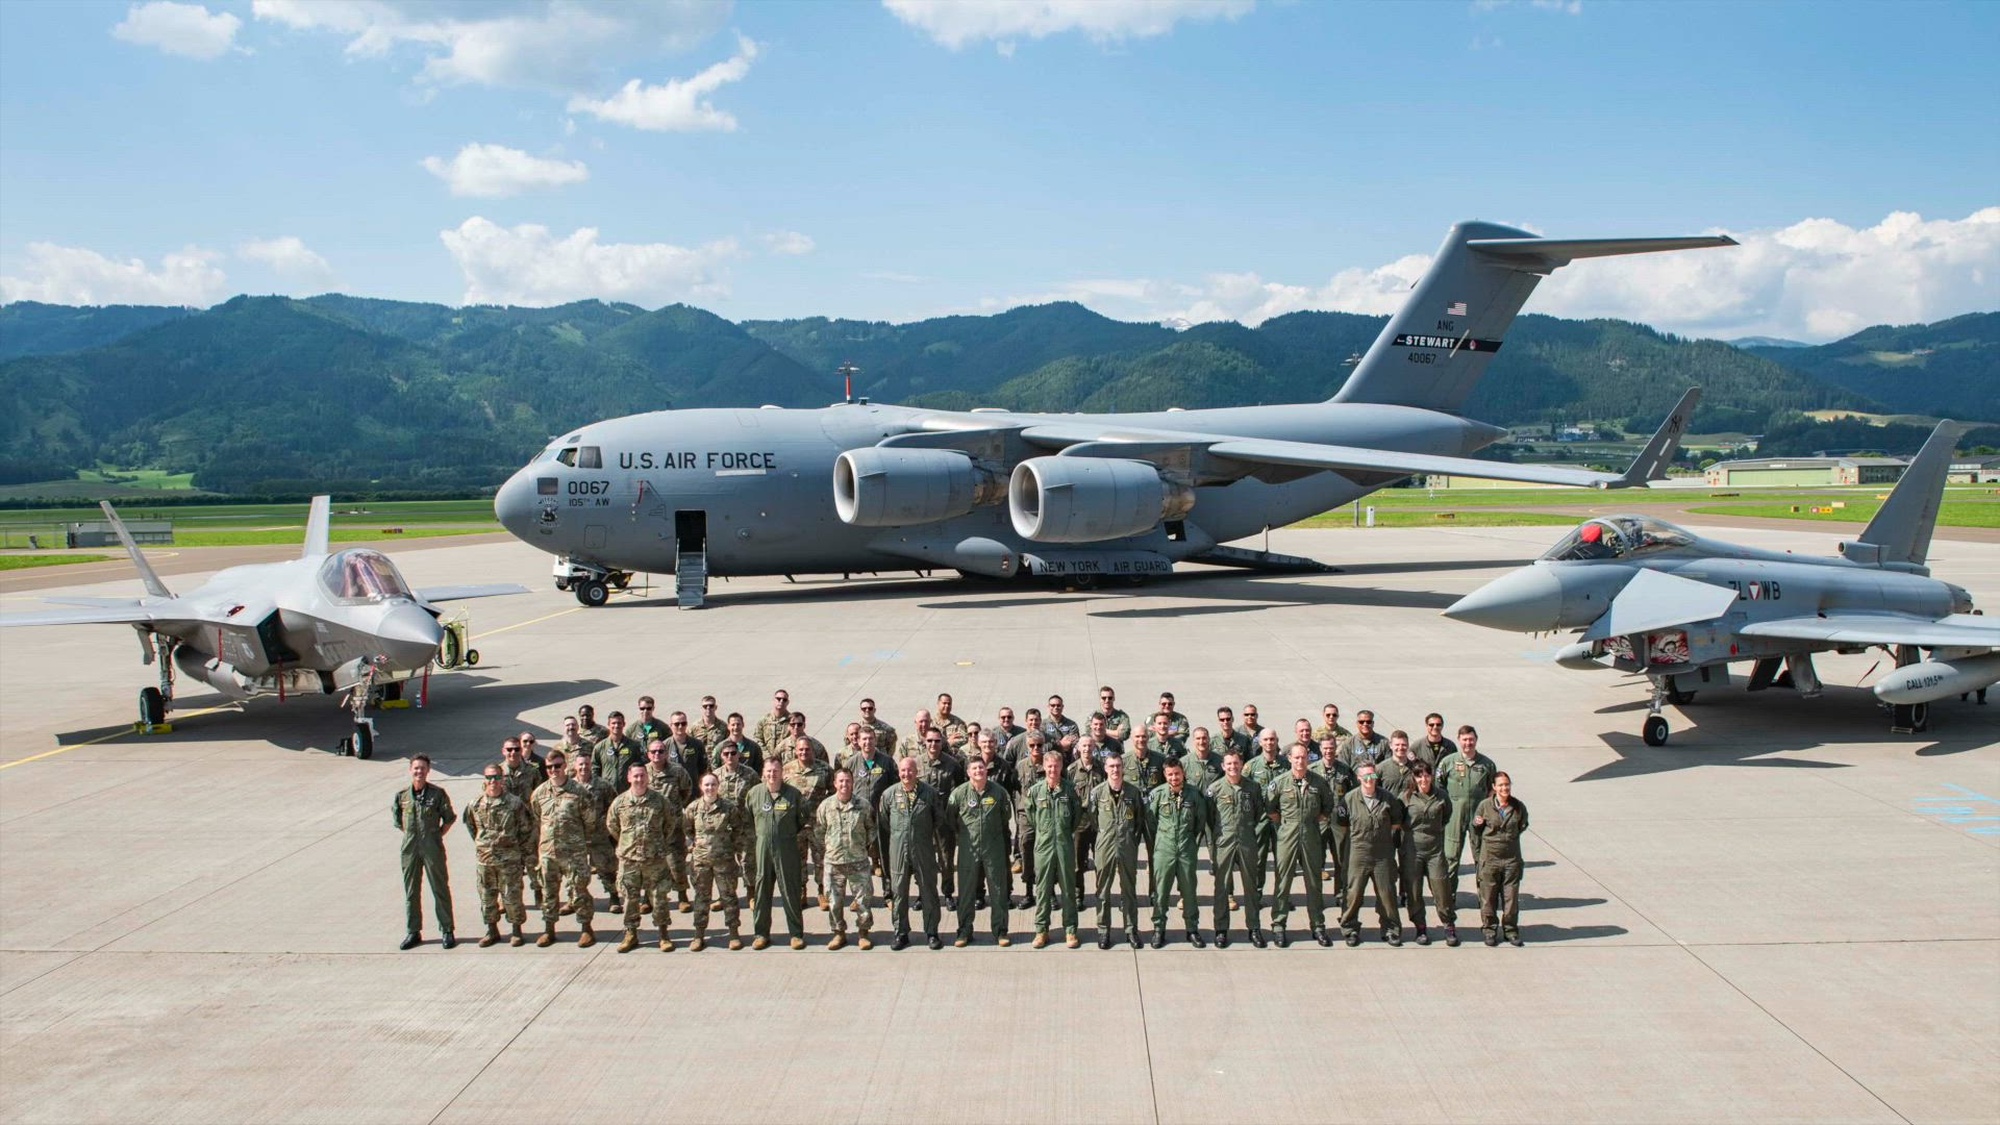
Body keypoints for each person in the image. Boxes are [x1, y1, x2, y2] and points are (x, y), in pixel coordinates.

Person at [1267, 743, 1336, 947]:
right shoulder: (1279, 783)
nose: (1300, 761)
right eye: (1296, 757)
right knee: (1283, 882)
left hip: (1311, 835)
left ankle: (1318, 926)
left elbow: (1327, 807)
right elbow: (1271, 809)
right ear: (1289, 759)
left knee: (1314, 883)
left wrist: (1310, 822)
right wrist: (1287, 824)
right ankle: (1279, 926)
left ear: (1308, 759)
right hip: (1287, 836)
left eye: (1303, 757)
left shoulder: (1319, 782)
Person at [605, 764, 679, 952]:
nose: (639, 779)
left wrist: (656, 843)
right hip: (629, 860)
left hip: (655, 859)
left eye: (642, 776)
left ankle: (663, 935)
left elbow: (670, 824)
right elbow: (612, 826)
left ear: (647, 777)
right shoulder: (620, 802)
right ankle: (631, 934)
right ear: (629, 778)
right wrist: (627, 843)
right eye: (636, 776)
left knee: (659, 898)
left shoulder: (660, 801)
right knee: (630, 899)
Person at [530, 750, 598, 948]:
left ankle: (586, 929)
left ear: (565, 766)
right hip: (548, 852)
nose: (554, 770)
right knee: (549, 892)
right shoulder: (539, 793)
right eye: (549, 767)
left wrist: (578, 841)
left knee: (579, 891)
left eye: (557, 766)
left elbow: (590, 820)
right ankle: (549, 930)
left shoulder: (579, 791)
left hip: (573, 852)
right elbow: (537, 819)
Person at [879, 756, 947, 950]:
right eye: (903, 770)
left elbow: (938, 819)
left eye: (910, 770)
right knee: (899, 892)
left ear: (917, 772)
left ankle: (932, 932)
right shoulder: (889, 795)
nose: (906, 774)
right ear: (898, 772)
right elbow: (884, 822)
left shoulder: (930, 793)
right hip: (898, 849)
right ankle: (901, 933)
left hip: (923, 848)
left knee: (928, 890)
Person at [1338, 762, 1406, 946]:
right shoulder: (1349, 799)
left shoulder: (1388, 798)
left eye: (1372, 776)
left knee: (1387, 893)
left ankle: (1391, 929)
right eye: (1365, 776)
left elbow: (1396, 823)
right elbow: (1342, 824)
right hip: (1358, 852)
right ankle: (1350, 929)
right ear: (1359, 778)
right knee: (1353, 893)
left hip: (1382, 853)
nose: (1369, 780)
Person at [1438, 725, 1499, 928]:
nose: (1468, 743)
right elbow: (1438, 786)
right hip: (1454, 815)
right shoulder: (1448, 762)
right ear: (1459, 740)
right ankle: (1449, 897)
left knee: (1482, 858)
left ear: (1476, 740)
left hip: (1478, 817)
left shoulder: (1487, 764)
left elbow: (1493, 790)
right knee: (1451, 857)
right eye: (1464, 740)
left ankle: (1485, 897)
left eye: (1471, 739)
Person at [949, 756, 1014, 947]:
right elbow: (951, 819)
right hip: (968, 849)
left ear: (986, 770)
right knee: (966, 891)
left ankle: (1000, 931)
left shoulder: (999, 792)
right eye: (974, 768)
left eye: (981, 768)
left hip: (993, 847)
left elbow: (1005, 816)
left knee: (998, 890)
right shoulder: (959, 794)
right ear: (968, 772)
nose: (978, 771)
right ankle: (964, 931)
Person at [394, 755, 457, 950]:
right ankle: (413, 931)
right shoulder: (402, 796)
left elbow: (449, 818)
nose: (419, 771)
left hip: (432, 848)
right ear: (410, 770)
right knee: (411, 891)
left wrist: (435, 836)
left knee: (440, 888)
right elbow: (399, 821)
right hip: (410, 849)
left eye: (422, 768)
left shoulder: (438, 794)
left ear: (428, 770)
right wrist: (414, 837)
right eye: (416, 768)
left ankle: (447, 930)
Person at [1207, 749, 1267, 948]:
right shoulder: (1215, 789)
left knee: (1251, 886)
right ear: (1223, 766)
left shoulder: (1253, 788)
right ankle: (1221, 929)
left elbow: (1259, 813)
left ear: (1242, 765)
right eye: (1229, 764)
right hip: (1224, 842)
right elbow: (1210, 818)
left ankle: (1254, 928)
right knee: (1222, 887)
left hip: (1247, 841)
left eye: (1236, 763)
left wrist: (1247, 831)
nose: (1233, 767)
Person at [746, 758, 808, 950]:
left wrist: (785, 835)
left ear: (782, 772)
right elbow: (749, 819)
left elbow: (801, 819)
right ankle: (761, 934)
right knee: (762, 891)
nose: (772, 774)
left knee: (791, 891)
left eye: (776, 771)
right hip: (762, 848)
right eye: (769, 771)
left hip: (786, 848)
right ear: (763, 773)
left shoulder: (793, 795)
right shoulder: (754, 794)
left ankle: (796, 934)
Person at [463, 765, 527, 948]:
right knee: (487, 897)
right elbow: (471, 827)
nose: (493, 781)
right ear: (485, 780)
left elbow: (525, 829)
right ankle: (492, 930)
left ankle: (516, 931)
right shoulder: (475, 804)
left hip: (509, 860)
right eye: (489, 777)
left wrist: (517, 851)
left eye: (497, 777)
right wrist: (484, 845)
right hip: (485, 860)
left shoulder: (514, 803)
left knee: (512, 896)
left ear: (502, 779)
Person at [1146, 759, 1209, 947]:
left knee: (1189, 891)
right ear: (1165, 775)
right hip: (1164, 849)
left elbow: (1200, 822)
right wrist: (1163, 840)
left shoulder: (1194, 795)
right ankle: (1159, 929)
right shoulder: (1157, 795)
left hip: (1186, 848)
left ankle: (1192, 929)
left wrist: (1188, 839)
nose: (1174, 778)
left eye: (1177, 773)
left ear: (1183, 773)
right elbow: (1151, 822)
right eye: (1170, 774)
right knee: (1161, 891)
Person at [683, 773, 749, 950]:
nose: (710, 788)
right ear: (701, 787)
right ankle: (699, 935)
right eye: (706, 785)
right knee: (701, 898)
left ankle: (734, 934)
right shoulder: (693, 808)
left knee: (729, 897)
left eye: (713, 784)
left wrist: (728, 846)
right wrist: (699, 844)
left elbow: (738, 829)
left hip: (724, 861)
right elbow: (688, 829)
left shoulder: (728, 807)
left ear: (718, 786)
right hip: (701, 862)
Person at [1025, 748, 1083, 948]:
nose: (1052, 770)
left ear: (1061, 767)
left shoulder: (1070, 790)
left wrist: (1062, 833)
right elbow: (1031, 817)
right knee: (1043, 889)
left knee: (1068, 889)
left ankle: (1070, 930)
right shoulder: (1035, 792)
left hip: (1064, 845)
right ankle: (1041, 930)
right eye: (1049, 766)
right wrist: (1046, 832)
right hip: (1043, 846)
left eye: (1056, 766)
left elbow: (1076, 817)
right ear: (1044, 767)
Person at [816, 768, 878, 950]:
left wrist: (861, 847)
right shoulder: (826, 806)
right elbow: (819, 831)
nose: (845, 784)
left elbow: (871, 829)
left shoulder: (863, 805)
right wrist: (831, 847)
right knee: (834, 901)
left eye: (848, 781)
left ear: (853, 782)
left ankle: (863, 933)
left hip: (858, 861)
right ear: (835, 783)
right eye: (841, 781)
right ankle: (839, 933)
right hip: (834, 862)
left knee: (863, 900)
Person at [1090, 753, 1147, 949]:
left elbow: (1139, 820)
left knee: (1129, 890)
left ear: (1123, 768)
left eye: (1118, 766)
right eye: (1111, 766)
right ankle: (1103, 931)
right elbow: (1093, 820)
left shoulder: (1133, 792)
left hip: (1126, 846)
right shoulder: (1097, 793)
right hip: (1105, 846)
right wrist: (1105, 836)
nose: (1115, 770)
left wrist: (1130, 839)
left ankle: (1131, 930)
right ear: (1106, 769)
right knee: (1103, 891)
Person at [1400, 761, 1455, 946]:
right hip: (1412, 850)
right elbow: (1399, 821)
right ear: (1414, 778)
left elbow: (1446, 816)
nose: (1423, 779)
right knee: (1414, 891)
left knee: (1442, 888)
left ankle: (1448, 925)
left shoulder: (1442, 796)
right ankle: (1420, 927)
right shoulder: (1406, 797)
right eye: (1419, 775)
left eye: (1426, 775)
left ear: (1431, 776)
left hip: (1434, 850)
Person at [1472, 771, 1529, 946]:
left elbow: (1522, 825)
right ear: (1494, 787)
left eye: (1507, 785)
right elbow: (1476, 829)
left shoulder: (1518, 806)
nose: (1504, 788)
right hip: (1490, 858)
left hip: (1511, 859)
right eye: (1501, 785)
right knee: (1488, 897)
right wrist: (1477, 824)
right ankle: (1489, 930)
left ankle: (1510, 930)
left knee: (1511, 898)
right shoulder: (1484, 805)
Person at [916, 731, 966, 908]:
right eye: (929, 740)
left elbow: (960, 791)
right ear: (924, 742)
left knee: (946, 859)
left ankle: (948, 893)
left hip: (944, 819)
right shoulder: (917, 763)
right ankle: (923, 893)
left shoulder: (952, 765)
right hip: (923, 820)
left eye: (937, 741)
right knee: (923, 859)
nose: (933, 744)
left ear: (942, 742)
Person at [784, 738, 834, 908]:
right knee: (798, 860)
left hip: (818, 824)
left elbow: (833, 792)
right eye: (801, 750)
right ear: (796, 751)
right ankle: (801, 891)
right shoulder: (787, 770)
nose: (804, 752)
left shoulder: (825, 769)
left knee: (822, 859)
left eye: (807, 749)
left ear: (812, 750)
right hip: (796, 824)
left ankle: (822, 891)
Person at [570, 752, 622, 911]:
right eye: (580, 764)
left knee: (607, 868)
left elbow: (614, 808)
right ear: (575, 766)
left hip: (599, 836)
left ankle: (614, 898)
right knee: (574, 871)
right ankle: (573, 899)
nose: (584, 767)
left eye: (586, 764)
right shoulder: (569, 786)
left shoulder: (603, 785)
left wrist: (612, 832)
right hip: (576, 836)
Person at [498, 737, 546, 905]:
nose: (513, 753)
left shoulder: (532, 771)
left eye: (516, 749)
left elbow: (540, 796)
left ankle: (539, 893)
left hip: (528, 826)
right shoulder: (497, 773)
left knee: (533, 862)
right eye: (509, 749)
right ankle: (505, 898)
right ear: (503, 751)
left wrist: (540, 822)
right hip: (506, 828)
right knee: (507, 865)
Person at [1313, 736, 1358, 911]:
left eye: (1331, 747)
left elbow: (1354, 794)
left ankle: (1340, 894)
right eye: (1325, 748)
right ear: (1320, 749)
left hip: (1339, 821)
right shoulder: (1312, 770)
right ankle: (1316, 896)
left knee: (1341, 859)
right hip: (1319, 820)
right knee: (1315, 860)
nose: (1328, 751)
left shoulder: (1345, 770)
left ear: (1335, 748)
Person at [592, 712, 644, 795]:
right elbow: (595, 769)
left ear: (624, 724)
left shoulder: (634, 746)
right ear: (608, 724)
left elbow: (641, 766)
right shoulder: (600, 747)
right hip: (606, 792)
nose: (616, 726)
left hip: (628, 792)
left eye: (619, 723)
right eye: (613, 723)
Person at [661, 711, 709, 778]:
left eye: (683, 723)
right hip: (672, 783)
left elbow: (703, 768)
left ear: (686, 724)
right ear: (671, 725)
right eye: (677, 724)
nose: (680, 726)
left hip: (693, 783)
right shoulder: (664, 746)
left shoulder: (697, 744)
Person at [1180, 727, 1224, 792]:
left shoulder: (1220, 761)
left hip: (1214, 798)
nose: (1201, 742)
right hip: (1193, 798)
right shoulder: (1183, 762)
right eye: (1198, 738)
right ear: (1193, 741)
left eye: (1204, 738)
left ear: (1209, 739)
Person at [752, 689, 793, 757]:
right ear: (774, 700)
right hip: (766, 759)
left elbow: (796, 738)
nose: (781, 701)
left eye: (784, 700)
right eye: (778, 699)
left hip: (786, 759)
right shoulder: (764, 720)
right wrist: (767, 755)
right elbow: (757, 739)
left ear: (787, 702)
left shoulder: (792, 721)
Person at [1094, 686, 1133, 752]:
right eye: (1104, 698)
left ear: (1114, 698)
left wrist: (1100, 731)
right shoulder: (1093, 716)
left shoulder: (1122, 716)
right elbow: (1089, 732)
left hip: (1116, 752)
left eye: (1110, 698)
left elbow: (1124, 735)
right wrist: (1116, 733)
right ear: (1100, 699)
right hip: (1098, 753)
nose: (1107, 700)